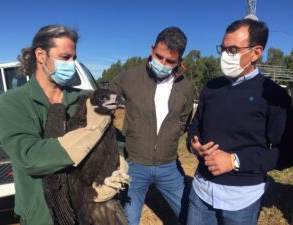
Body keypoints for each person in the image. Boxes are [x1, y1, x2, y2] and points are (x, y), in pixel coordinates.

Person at [0, 24, 129, 225]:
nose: (72, 63)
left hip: (89, 208)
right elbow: (30, 156)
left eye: (74, 57)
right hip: (42, 214)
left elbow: (115, 138)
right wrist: (89, 133)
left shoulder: (85, 98)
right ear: (41, 55)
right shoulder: (12, 102)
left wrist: (118, 160)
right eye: (65, 57)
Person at [186, 18, 292, 225]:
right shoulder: (211, 86)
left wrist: (235, 161)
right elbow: (195, 125)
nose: (226, 56)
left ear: (256, 52)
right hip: (200, 192)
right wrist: (193, 145)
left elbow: (286, 153)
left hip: (241, 200)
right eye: (223, 49)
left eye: (233, 50)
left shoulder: (274, 96)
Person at [110, 27, 194, 225]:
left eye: (170, 61)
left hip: (169, 166)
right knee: (127, 220)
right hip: (134, 164)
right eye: (159, 56)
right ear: (151, 49)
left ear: (180, 62)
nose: (163, 64)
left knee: (192, 216)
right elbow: (106, 100)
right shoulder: (130, 77)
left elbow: (184, 121)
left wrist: (169, 139)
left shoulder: (186, 87)